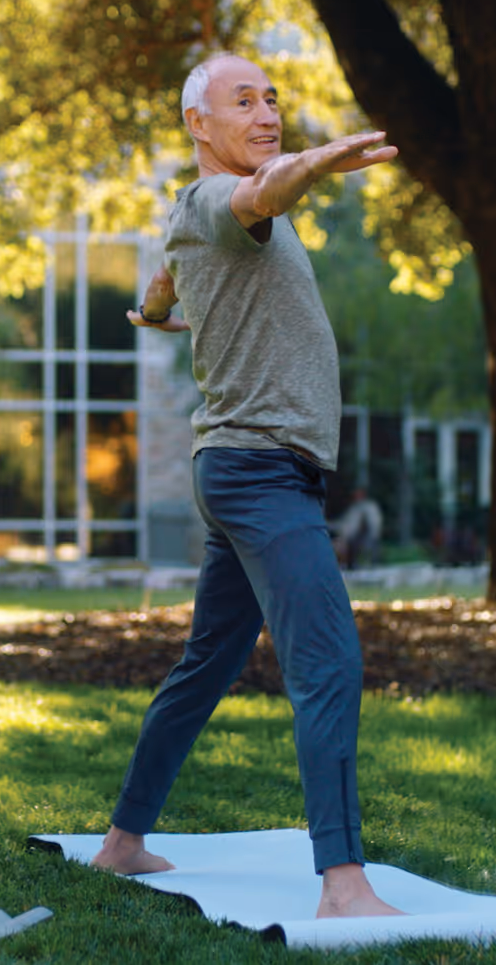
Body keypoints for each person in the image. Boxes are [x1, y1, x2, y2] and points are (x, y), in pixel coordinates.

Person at [91, 52, 403, 919]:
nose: (266, 113)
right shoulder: (220, 200)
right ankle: (343, 883)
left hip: (248, 471)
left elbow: (167, 276)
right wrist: (312, 161)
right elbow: (261, 197)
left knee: (208, 664)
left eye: (273, 100)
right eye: (243, 101)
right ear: (198, 123)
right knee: (329, 660)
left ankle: (122, 841)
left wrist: (161, 311)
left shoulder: (194, 220)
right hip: (259, 471)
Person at [332, 487, 384, 570]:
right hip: (349, 538)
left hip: (363, 538)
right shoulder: (353, 508)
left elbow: (373, 525)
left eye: (358, 494)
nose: (355, 496)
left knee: (341, 545)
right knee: (337, 544)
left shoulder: (369, 507)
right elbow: (344, 524)